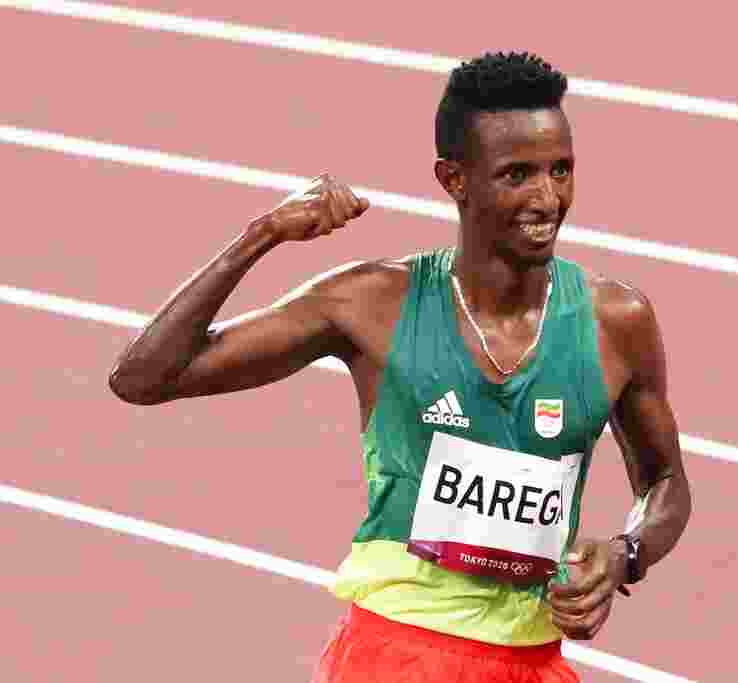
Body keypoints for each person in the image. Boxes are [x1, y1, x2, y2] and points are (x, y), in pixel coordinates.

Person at [109, 51, 691, 683]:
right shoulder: (371, 304)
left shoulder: (617, 321)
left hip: (534, 660)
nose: (547, 197)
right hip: (396, 657)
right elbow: (145, 377)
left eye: (561, 170)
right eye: (517, 174)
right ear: (454, 178)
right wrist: (263, 233)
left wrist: (626, 553)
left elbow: (665, 483)